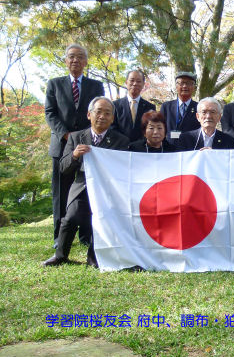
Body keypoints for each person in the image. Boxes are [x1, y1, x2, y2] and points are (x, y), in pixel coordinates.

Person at [43, 97, 129, 268]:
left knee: (101, 219)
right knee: (71, 217)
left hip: (108, 190)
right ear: (89, 114)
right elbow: (63, 168)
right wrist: (74, 156)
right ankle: (60, 255)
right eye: (98, 112)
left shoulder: (121, 141)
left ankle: (94, 257)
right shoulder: (76, 137)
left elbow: (124, 169)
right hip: (82, 187)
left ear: (112, 118)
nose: (102, 116)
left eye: (107, 113)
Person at [45, 44, 105, 246]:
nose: (75, 61)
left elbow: (99, 110)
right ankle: (59, 237)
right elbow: (50, 113)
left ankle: (86, 235)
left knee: (87, 189)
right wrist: (65, 135)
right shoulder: (55, 84)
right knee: (61, 192)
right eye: (71, 57)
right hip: (61, 146)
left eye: (80, 57)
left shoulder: (95, 85)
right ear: (65, 61)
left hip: (88, 147)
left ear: (86, 61)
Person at [112, 69, 156, 142]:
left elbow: (150, 128)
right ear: (126, 82)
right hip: (120, 147)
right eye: (132, 80)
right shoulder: (115, 105)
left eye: (138, 81)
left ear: (143, 85)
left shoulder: (150, 107)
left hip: (141, 148)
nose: (135, 83)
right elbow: (112, 127)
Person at [160, 72, 200, 143]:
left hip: (191, 149)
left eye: (189, 83)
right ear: (176, 86)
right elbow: (160, 128)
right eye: (181, 83)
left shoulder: (199, 107)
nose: (185, 86)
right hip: (169, 148)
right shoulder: (166, 107)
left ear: (194, 87)